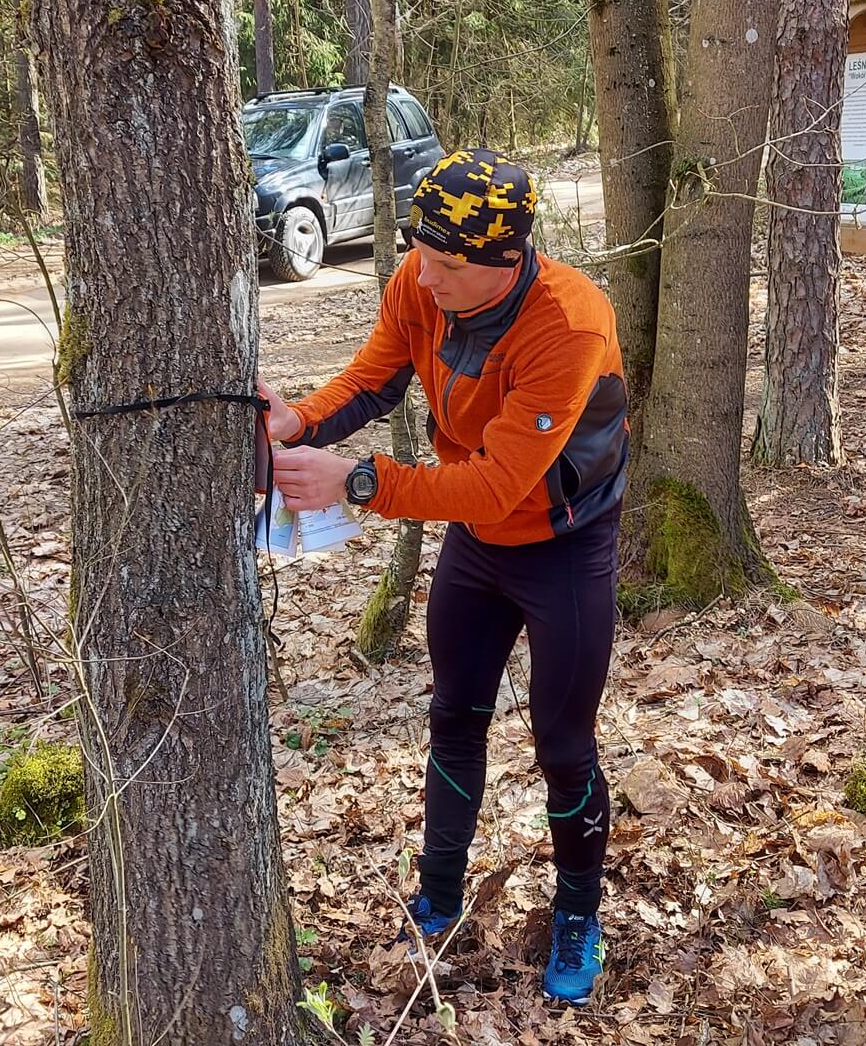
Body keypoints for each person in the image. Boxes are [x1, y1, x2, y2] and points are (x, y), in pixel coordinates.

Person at [258, 147, 628, 1005]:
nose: (425, 277)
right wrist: (301, 417)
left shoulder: (567, 322)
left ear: (507, 261)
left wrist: (360, 481)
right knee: (454, 715)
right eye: (419, 252)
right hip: (476, 543)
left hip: (564, 544)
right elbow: (376, 375)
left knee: (563, 746)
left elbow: (503, 482)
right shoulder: (420, 283)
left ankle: (578, 914)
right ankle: (437, 893)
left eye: (448, 265)